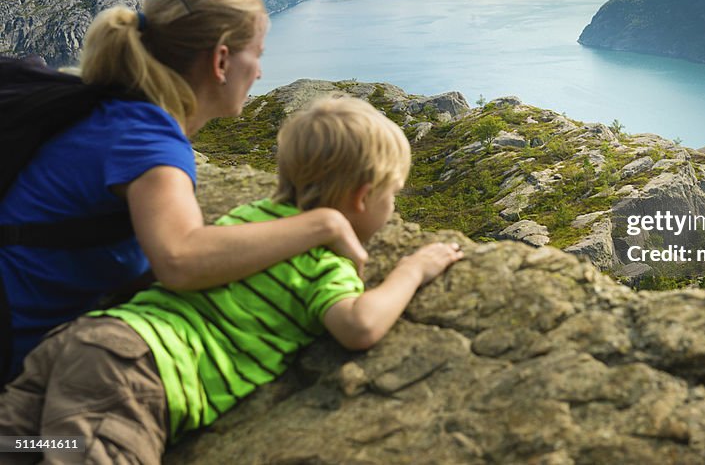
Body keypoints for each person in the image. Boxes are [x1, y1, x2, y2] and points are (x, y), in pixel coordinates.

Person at [0, 96, 464, 463]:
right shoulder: (324, 261)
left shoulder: (249, 219)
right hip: (137, 373)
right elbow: (360, 326)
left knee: (17, 447)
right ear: (363, 197)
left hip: (87, 341)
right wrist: (413, 269)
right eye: (393, 196)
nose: (394, 208)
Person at [0, 0, 366, 384]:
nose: (261, 72)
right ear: (222, 60)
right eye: (258, 54)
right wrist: (325, 222)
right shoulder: (148, 135)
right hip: (16, 351)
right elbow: (180, 259)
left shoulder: (116, 107)